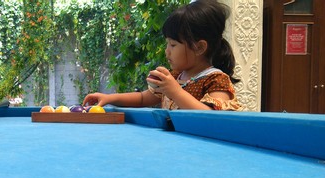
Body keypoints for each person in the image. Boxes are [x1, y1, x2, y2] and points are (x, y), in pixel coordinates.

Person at [83, 0, 243, 111]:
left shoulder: (216, 80)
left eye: (173, 45)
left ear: (199, 47)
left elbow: (212, 117)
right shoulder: (175, 76)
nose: (167, 51)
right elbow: (142, 99)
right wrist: (110, 98)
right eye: (167, 44)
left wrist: (175, 91)